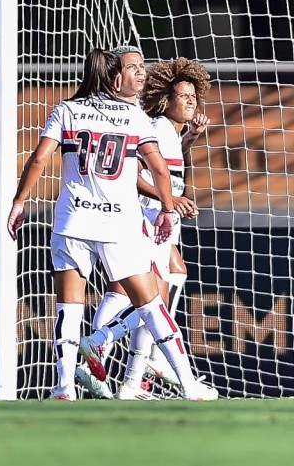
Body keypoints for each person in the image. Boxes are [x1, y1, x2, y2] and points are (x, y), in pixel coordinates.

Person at [6, 49, 216, 401]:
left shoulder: (66, 110)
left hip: (72, 220)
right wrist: (168, 208)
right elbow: (158, 169)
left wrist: (19, 201)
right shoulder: (134, 117)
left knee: (69, 308)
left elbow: (39, 159)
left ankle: (64, 387)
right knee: (151, 304)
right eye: (133, 68)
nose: (141, 73)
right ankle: (185, 382)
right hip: (118, 223)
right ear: (114, 77)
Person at [80, 57, 212, 399]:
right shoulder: (155, 127)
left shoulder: (171, 133)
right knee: (151, 299)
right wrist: (170, 200)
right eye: (183, 96)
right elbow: (133, 174)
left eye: (194, 97)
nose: (190, 101)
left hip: (162, 221)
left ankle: (131, 378)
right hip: (148, 220)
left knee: (162, 288)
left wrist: (191, 137)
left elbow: (166, 165)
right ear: (166, 100)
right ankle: (113, 351)